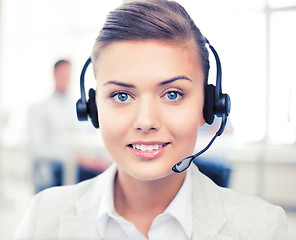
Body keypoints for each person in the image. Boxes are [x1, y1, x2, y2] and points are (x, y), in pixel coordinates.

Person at [14, 1, 288, 239]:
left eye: (172, 94)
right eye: (122, 96)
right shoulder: (43, 217)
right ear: (93, 109)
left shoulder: (261, 228)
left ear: (208, 105)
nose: (146, 121)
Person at [28, 60, 110, 193]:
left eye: (68, 76)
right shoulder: (39, 109)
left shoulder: (79, 108)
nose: (65, 80)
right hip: (56, 169)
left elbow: (90, 134)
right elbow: (38, 149)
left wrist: (99, 159)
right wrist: (77, 159)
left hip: (84, 164)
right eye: (62, 76)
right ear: (54, 75)